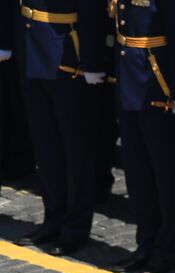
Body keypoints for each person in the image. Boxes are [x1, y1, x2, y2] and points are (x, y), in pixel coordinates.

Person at [13, 0, 108, 255]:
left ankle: (75, 228)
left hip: (68, 55)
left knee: (76, 150)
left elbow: (92, 11)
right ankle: (52, 218)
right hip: (32, 46)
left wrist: (91, 63)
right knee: (46, 147)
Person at [108, 0, 175, 273]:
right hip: (131, 82)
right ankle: (145, 243)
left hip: (158, 87)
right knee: (138, 173)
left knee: (165, 175)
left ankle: (167, 250)